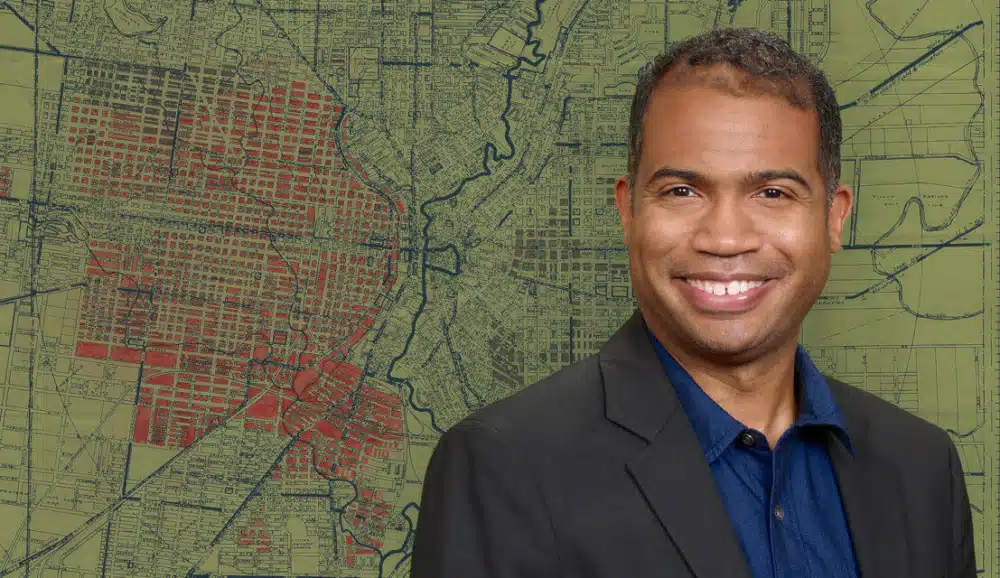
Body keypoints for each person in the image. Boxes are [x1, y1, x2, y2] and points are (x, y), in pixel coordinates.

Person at [409, 27, 976, 578]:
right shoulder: (505, 465)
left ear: (834, 217)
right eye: (682, 191)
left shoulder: (922, 468)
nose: (725, 239)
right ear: (628, 211)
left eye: (772, 193)